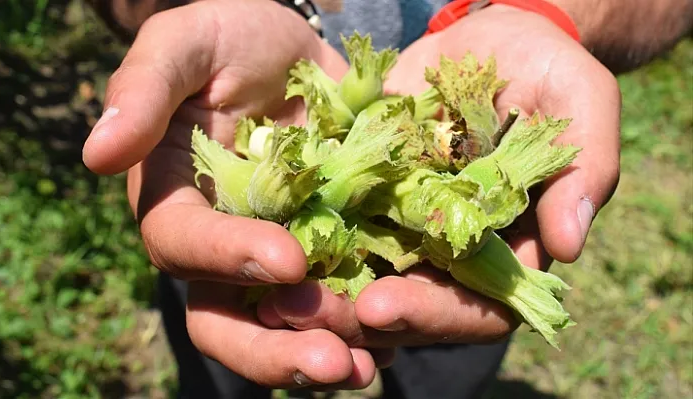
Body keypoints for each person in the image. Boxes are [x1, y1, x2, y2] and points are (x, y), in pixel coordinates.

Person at [82, 0, 692, 398]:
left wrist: (543, 12)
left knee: (442, 376)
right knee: (225, 364)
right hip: (230, 238)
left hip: (451, 277)